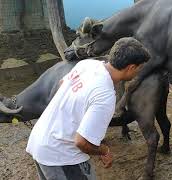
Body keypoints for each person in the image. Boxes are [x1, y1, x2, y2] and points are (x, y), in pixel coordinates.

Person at [26, 37, 150, 180]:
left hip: (40, 139)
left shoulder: (87, 64)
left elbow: (62, 84)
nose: (138, 72)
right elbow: (81, 142)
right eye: (139, 68)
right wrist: (104, 150)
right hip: (61, 157)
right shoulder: (105, 95)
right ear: (131, 68)